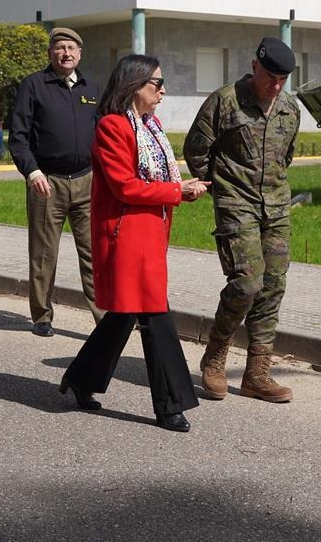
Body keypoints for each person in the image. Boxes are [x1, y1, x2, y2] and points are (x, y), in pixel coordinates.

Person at [59, 55, 209, 432]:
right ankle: (170, 403)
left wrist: (180, 192)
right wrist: (177, 190)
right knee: (156, 315)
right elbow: (125, 186)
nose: (163, 90)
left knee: (125, 314)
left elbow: (152, 181)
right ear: (133, 86)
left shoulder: (149, 125)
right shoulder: (113, 127)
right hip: (127, 235)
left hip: (148, 232)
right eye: (156, 83)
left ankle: (80, 378)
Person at [183, 36, 300, 403]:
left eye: (282, 79)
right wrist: (221, 189)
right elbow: (196, 149)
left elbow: (286, 157)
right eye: (269, 76)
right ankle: (216, 355)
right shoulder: (225, 101)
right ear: (254, 67)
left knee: (272, 286)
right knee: (247, 284)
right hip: (236, 204)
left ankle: (257, 373)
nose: (275, 85)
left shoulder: (290, 109)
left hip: (277, 208)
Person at [9, 27, 101, 337]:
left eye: (71, 48)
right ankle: (41, 316)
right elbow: (18, 137)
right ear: (51, 53)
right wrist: (32, 172)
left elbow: (103, 135)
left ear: (80, 53)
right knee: (44, 253)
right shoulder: (34, 85)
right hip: (47, 182)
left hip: (87, 182)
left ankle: (104, 319)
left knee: (94, 254)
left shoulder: (91, 87)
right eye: (60, 47)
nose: (66, 53)